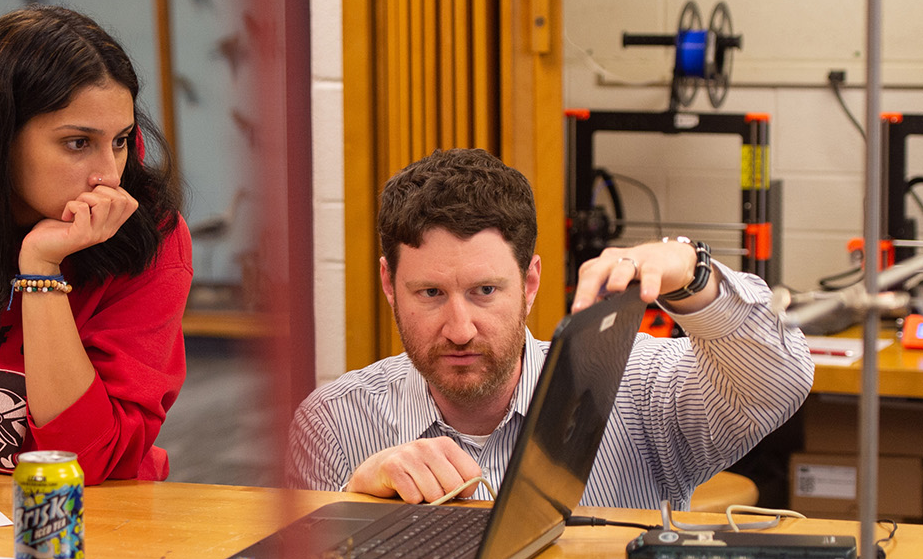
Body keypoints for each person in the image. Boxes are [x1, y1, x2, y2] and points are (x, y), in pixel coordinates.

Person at [287, 148, 813, 510]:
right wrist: (347, 506)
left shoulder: (636, 388)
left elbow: (781, 378)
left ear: (530, 281)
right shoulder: (333, 424)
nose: (461, 329)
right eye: (430, 294)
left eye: (484, 291)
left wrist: (691, 273)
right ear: (388, 282)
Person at [0, 5, 192, 485]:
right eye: (78, 143)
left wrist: (42, 268)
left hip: (98, 512)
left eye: (121, 140)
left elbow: (87, 459)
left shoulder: (152, 233)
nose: (108, 175)